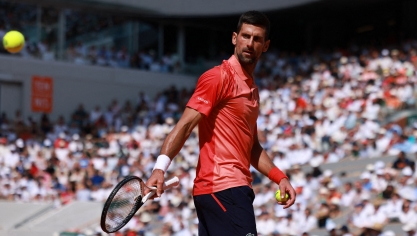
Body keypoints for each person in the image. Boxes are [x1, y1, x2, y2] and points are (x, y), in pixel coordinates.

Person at [145, 11, 296, 235]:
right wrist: (160, 168)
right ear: (234, 38)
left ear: (265, 46)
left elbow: (252, 148)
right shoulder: (218, 77)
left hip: (228, 190)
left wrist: (280, 177)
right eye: (245, 36)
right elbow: (185, 125)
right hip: (224, 188)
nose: (250, 43)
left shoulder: (252, 90)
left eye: (257, 39)